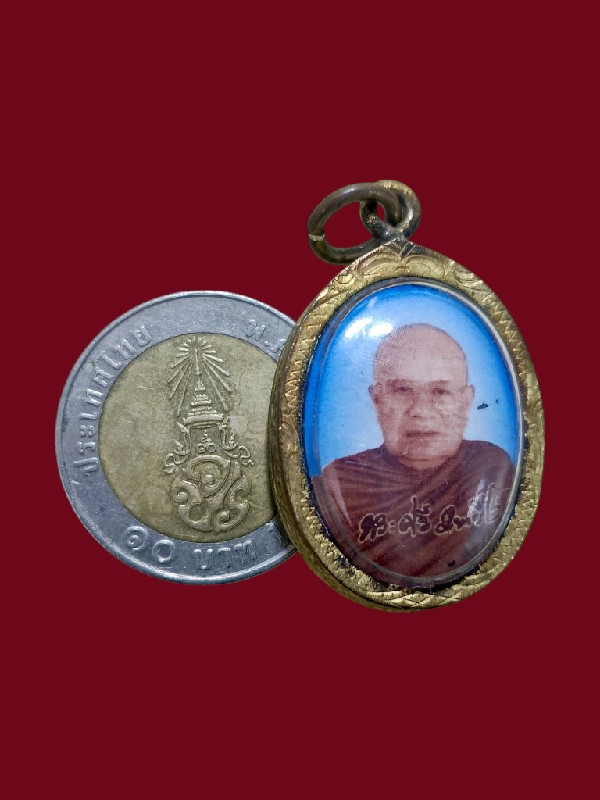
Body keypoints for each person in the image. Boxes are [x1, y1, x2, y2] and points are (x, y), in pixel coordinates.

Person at [311, 324, 515, 584]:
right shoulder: (342, 481)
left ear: (466, 401)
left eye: (440, 392)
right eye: (402, 390)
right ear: (377, 400)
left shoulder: (490, 466)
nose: (420, 410)